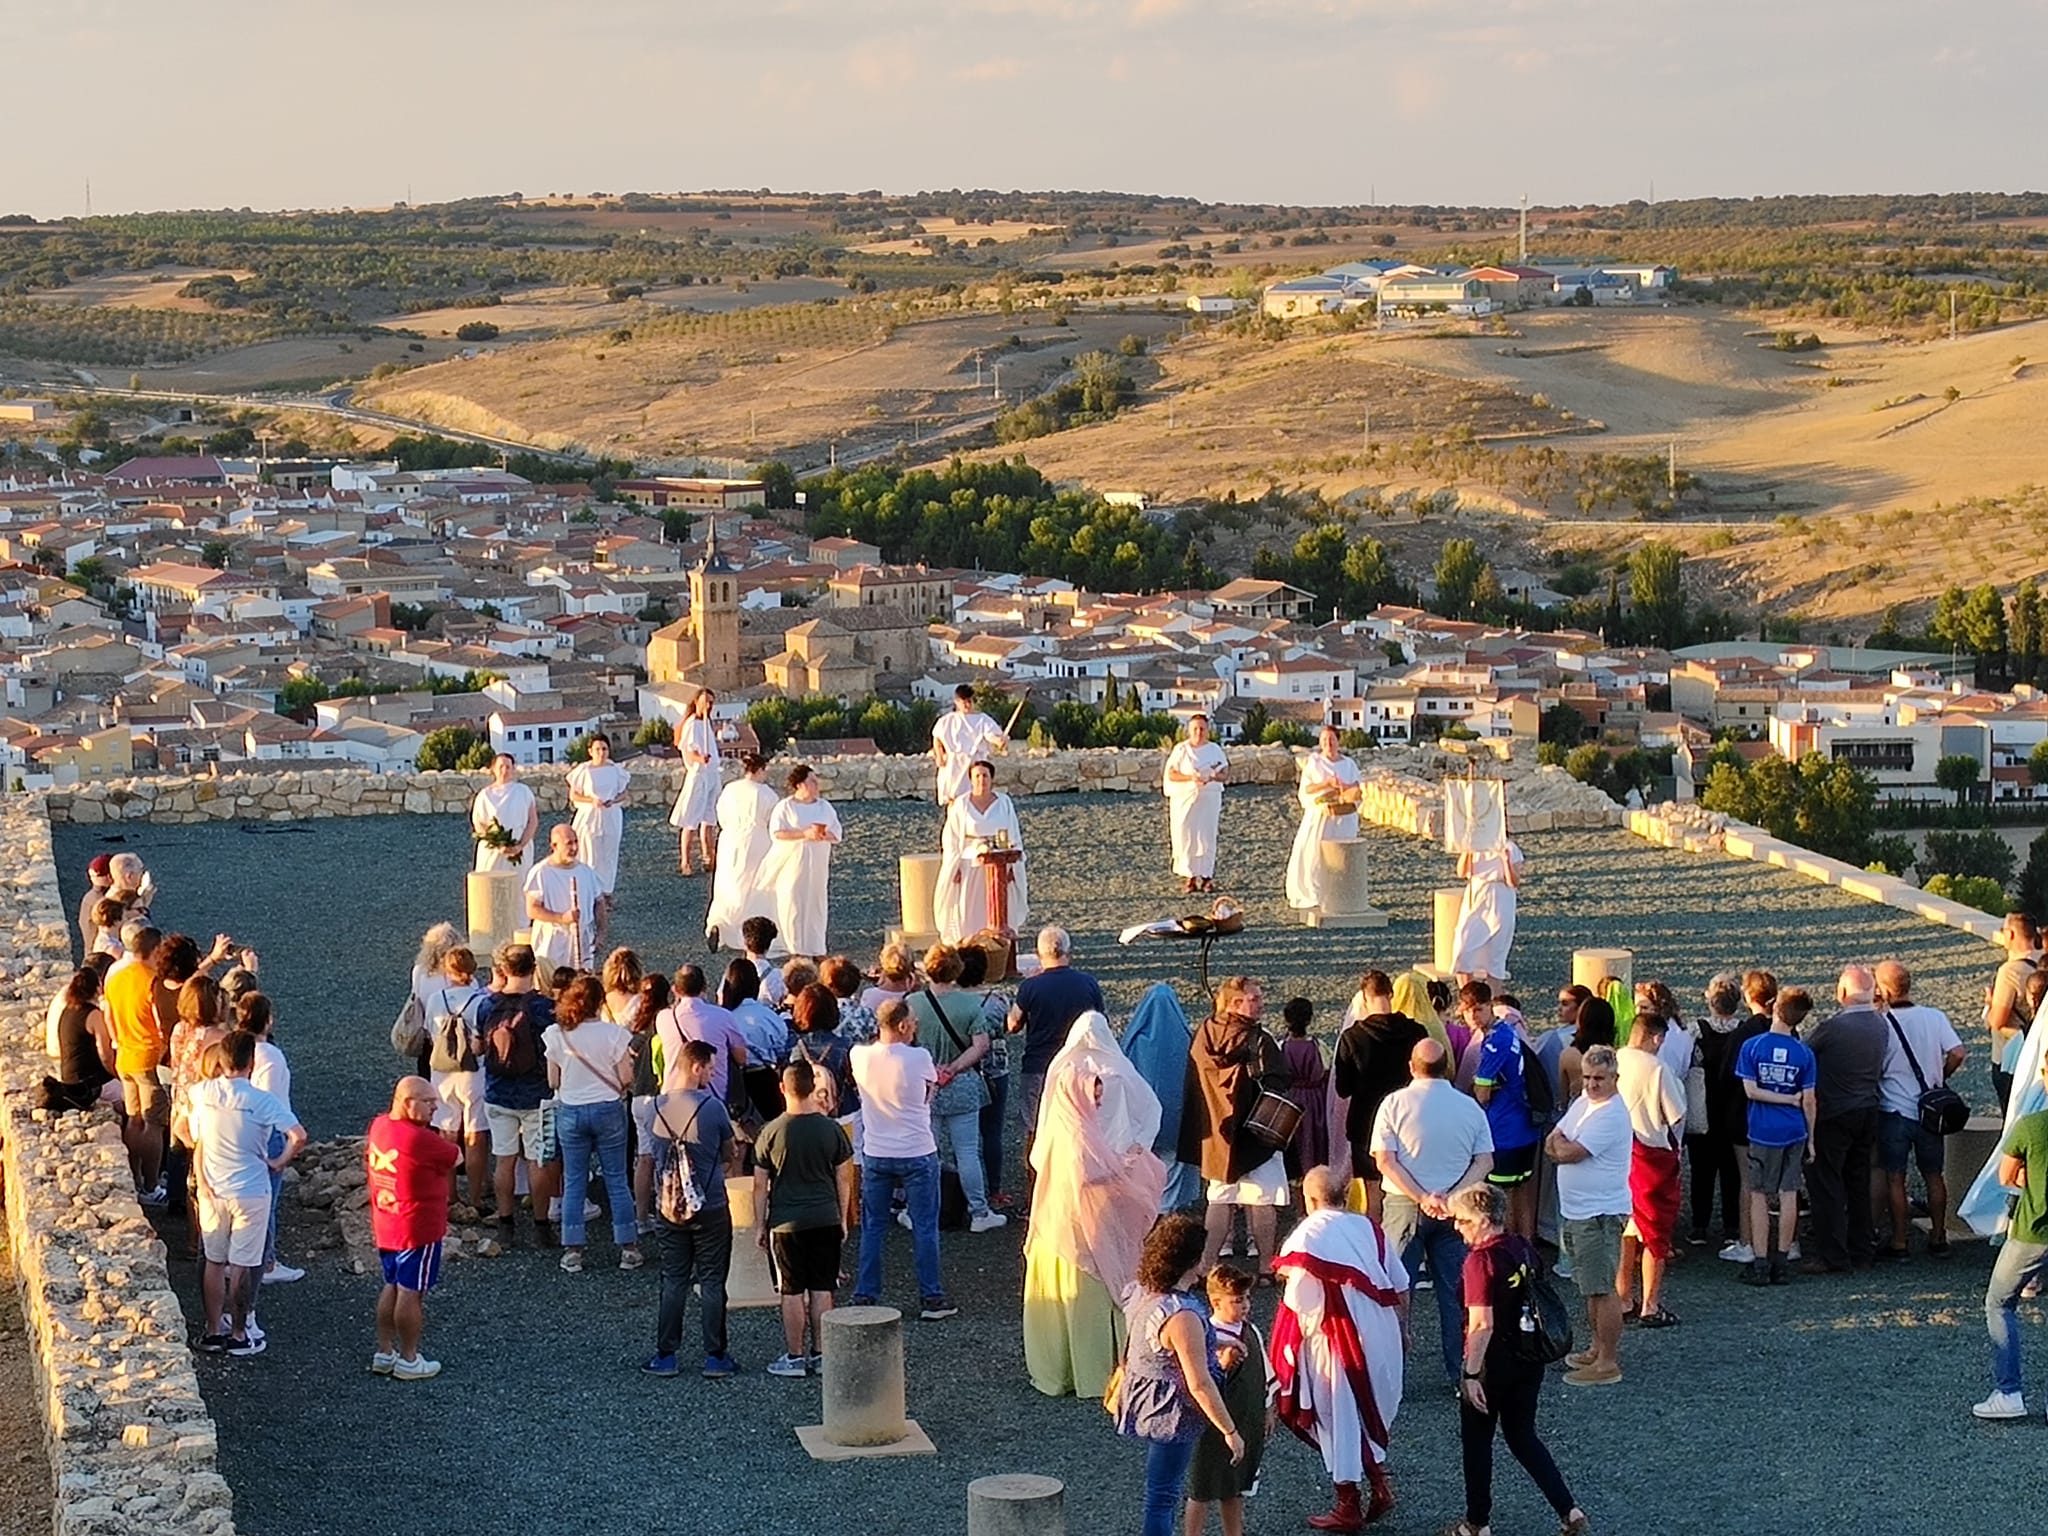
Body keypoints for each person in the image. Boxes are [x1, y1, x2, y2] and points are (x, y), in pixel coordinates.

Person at [1024, 1010, 1166, 1398]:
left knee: (1075, 1305)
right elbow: (1087, 1171)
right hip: (1078, 1233)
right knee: (1093, 1301)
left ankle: (1063, 1369)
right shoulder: (1077, 1134)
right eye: (1095, 1094)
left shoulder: (1068, 1109)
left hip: (1062, 1230)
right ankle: (1094, 1373)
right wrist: (1128, 1166)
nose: (1100, 1098)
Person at [1269, 1164, 1407, 1531]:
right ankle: (1379, 1485)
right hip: (1381, 1329)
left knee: (1339, 1415)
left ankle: (1348, 1503)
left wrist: (1287, 1350)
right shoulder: (1370, 1227)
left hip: (1337, 1338)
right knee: (1367, 1411)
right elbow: (1400, 1282)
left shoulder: (1307, 1234)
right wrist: (1403, 1331)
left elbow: (1300, 1301)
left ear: (1310, 1198)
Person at [1448, 1182, 1590, 1536]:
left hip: (1493, 1364)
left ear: (1482, 1221)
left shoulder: (1480, 1261)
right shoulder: (1520, 1245)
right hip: (1529, 1357)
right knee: (1523, 1436)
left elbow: (1482, 1324)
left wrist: (1470, 1374)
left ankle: (1477, 1523)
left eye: (1462, 1220)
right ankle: (1568, 1510)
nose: (1456, 1227)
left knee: (1477, 1444)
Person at [1113, 1213, 1244, 1536]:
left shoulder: (1145, 1293)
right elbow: (1198, 1382)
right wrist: (1229, 1430)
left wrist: (1214, 1339)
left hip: (1147, 1396)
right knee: (1163, 1497)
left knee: (1160, 1492)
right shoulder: (1183, 1314)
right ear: (1193, 1261)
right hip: (1172, 1411)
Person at [1372, 1038, 1493, 1385]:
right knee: (1456, 1293)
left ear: (1411, 1067)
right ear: (1448, 1068)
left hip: (1404, 1206)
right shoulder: (1469, 1107)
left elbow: (1385, 1161)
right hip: (1457, 1213)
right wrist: (1453, 1195)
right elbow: (1485, 1160)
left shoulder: (1393, 1104)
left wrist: (1422, 1196)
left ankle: (1392, 1377)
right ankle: (1463, 1374)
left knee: (1395, 1290)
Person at [187, 1031, 306, 1356]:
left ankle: (212, 1331)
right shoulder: (262, 1101)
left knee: (213, 1259)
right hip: (251, 1188)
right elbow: (298, 1135)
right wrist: (278, 1161)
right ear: (251, 1063)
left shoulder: (200, 1092)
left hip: (213, 1189)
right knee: (243, 1263)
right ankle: (239, 1334)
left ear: (221, 1060)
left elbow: (194, 1134)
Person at [850, 999, 956, 1319]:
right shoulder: (919, 1056)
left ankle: (865, 1293)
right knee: (925, 1226)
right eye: (912, 1021)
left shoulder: (859, 1055)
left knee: (873, 1226)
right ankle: (931, 1297)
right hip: (917, 1150)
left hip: (877, 1151)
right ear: (902, 1026)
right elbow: (928, 1092)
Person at [644, 1039, 740, 1379]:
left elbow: (652, 1156)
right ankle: (715, 1355)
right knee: (713, 1279)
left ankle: (666, 1354)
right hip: (710, 1203)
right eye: (710, 1068)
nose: (712, 1074)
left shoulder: (653, 1107)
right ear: (696, 1066)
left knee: (674, 1279)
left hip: (668, 1206)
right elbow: (729, 1153)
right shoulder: (713, 1108)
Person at [1181, 976, 1290, 1273]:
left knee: (1220, 1198)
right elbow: (1277, 1080)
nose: (1261, 1003)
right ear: (1234, 1003)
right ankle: (1266, 1265)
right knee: (1262, 1199)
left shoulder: (1204, 1034)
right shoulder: (1258, 1039)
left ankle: (1205, 1265)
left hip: (1218, 1131)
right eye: (1253, 998)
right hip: (1256, 1131)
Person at [753, 1058, 851, 1379]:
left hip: (785, 1222)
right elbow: (844, 1178)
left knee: (791, 1290)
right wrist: (843, 1217)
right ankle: (822, 1354)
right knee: (823, 1287)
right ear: (813, 1088)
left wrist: (758, 1225)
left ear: (783, 1089)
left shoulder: (770, 1132)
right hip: (825, 1217)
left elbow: (759, 1185)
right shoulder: (831, 1129)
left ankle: (795, 1356)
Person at [1545, 1044, 1632, 1385]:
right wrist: (1560, 1147)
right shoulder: (1583, 1103)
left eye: (1600, 1078)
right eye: (1588, 1077)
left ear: (1615, 1078)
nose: (1592, 1084)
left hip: (1600, 1213)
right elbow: (1556, 1138)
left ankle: (1608, 1362)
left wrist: (1561, 1148)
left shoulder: (1611, 1113)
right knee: (1589, 1287)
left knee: (1602, 1288)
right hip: (1578, 1211)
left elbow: (1569, 1151)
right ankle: (1596, 1348)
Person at [366, 1076, 460, 1380]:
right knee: (411, 1292)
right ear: (407, 1103)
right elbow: (455, 1157)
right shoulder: (420, 1139)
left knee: (391, 1284)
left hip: (387, 1222)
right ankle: (409, 1358)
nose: (435, 1107)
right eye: (428, 1101)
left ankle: (385, 1351)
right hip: (417, 1227)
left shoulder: (380, 1126)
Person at [907, 944, 1005, 1231]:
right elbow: (981, 1046)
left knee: (927, 1153)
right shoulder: (970, 1005)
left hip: (926, 1086)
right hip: (962, 1085)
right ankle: (979, 1212)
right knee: (967, 1152)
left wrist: (934, 1070)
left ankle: (922, 1211)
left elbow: (908, 1043)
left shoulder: (914, 1002)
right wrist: (954, 1068)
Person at [1875, 959, 1965, 1260]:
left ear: (1884, 989)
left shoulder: (1881, 1022)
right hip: (1929, 1110)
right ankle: (1939, 1236)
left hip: (1894, 1109)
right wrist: (1940, 1077)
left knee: (1895, 1177)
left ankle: (1900, 1241)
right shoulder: (1934, 1016)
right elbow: (1958, 1052)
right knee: (1933, 1174)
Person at [1975, 1047, 2048, 1421]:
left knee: (1999, 1303)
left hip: (2035, 1229)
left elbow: (2007, 1178)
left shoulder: (2032, 1126)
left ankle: (2009, 1391)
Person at [1803, 964, 1888, 1274]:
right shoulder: (1881, 1025)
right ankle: (1862, 1249)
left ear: (1841, 993)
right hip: (1867, 1109)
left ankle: (1833, 1254)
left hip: (1834, 1112)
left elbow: (1803, 1055)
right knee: (1858, 1182)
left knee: (1826, 1183)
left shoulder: (1832, 1028)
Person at [477, 943, 560, 1248]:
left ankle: (506, 1223)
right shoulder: (543, 1008)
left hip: (498, 1092)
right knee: (539, 1160)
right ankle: (541, 1225)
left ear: (503, 969)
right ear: (533, 968)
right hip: (537, 1094)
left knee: (504, 1160)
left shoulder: (487, 1006)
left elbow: (478, 1047)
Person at [1736, 986, 1817, 1287]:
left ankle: (1760, 1261)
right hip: (1794, 1129)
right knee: (1789, 1192)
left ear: (1774, 1008)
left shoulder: (1753, 1047)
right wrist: (1811, 1137)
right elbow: (1809, 1100)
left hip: (1762, 1129)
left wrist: (1780, 1099)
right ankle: (1782, 1260)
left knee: (1758, 1193)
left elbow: (1750, 1090)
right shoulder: (1804, 1052)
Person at [1007, 926, 1106, 1170]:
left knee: (1036, 1128)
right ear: (1068, 952)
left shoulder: (1030, 987)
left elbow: (1012, 1025)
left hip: (1039, 1065)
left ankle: (1037, 1191)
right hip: (1078, 1066)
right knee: (1078, 1126)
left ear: (1039, 954)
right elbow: (1100, 1023)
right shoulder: (1088, 984)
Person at [1185, 1263, 1268, 1536]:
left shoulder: (1251, 1331)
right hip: (1214, 1425)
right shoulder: (1208, 1336)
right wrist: (1224, 1364)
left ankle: (1234, 1533)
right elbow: (1202, 1379)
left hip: (1246, 1418)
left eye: (1246, 1299)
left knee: (1235, 1485)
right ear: (1216, 1302)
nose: (1245, 1305)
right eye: (1237, 1300)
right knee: (1203, 1486)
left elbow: (1264, 1371)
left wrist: (1269, 1407)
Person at [1615, 1009, 1685, 1327]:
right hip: (1650, 1155)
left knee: (1626, 1230)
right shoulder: (1656, 1068)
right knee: (1655, 1233)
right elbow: (1676, 1115)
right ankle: (1650, 1303)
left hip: (1618, 1154)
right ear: (1656, 1037)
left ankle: (1622, 1298)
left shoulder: (1612, 1060)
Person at [1715, 968, 1780, 1266]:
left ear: (1747, 995)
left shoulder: (1742, 1034)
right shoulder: (1785, 1029)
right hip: (1781, 1114)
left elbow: (1727, 1077)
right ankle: (1783, 1241)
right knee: (1779, 1182)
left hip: (1744, 1116)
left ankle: (1748, 1240)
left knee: (1748, 1182)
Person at [422, 946, 490, 1214]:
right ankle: (475, 1197)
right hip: (474, 1073)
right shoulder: (481, 1000)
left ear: (448, 971)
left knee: (447, 1132)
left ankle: (450, 1196)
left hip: (442, 1071)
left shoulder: (437, 999)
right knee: (476, 1134)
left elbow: (429, 1031)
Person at [103, 925, 169, 1201]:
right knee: (153, 1123)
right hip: (148, 1057)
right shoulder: (153, 981)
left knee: (134, 1118)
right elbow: (160, 1022)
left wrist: (118, 1042)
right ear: (154, 950)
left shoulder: (116, 977)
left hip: (125, 1057)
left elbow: (108, 1017)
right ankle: (152, 1186)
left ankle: (134, 1176)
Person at [1124, 982, 1200, 1212]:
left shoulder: (1133, 1040)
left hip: (1142, 1120)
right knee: (1175, 1163)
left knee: (1145, 1164)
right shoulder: (1185, 1039)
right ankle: (1171, 1209)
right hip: (1177, 1119)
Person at [1690, 972, 1753, 1252]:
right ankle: (1732, 1226)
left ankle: (1699, 1226)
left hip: (1704, 1108)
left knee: (1701, 1172)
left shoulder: (1696, 1031)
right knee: (1733, 1173)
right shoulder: (1745, 1032)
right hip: (1735, 1108)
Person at [935, 760, 1028, 943]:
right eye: (977, 776)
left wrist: (1011, 867)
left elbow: (1014, 836)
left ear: (991, 778)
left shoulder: (1004, 803)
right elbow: (951, 840)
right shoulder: (961, 805)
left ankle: (1000, 949)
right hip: (969, 865)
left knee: (998, 908)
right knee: (968, 910)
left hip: (999, 864)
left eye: (985, 775)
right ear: (971, 779)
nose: (981, 780)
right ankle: (969, 947)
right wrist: (954, 868)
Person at [1472, 997, 1541, 1240]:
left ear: (1489, 1007)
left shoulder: (1494, 1043)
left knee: (1502, 1199)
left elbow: (1481, 1094)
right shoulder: (1508, 1031)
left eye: (1477, 1008)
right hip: (1525, 1128)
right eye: (1467, 1010)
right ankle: (1526, 1252)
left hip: (1504, 1133)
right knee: (1521, 1193)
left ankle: (1508, 1252)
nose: (1472, 1016)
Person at [760, 765, 842, 959]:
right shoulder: (786, 806)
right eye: (812, 781)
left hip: (817, 865)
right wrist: (803, 834)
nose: (816, 784)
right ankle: (794, 948)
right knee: (793, 903)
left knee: (816, 904)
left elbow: (837, 833)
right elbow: (777, 833)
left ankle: (816, 947)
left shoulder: (824, 807)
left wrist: (821, 835)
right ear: (799, 785)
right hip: (792, 864)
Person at [1284, 725, 1362, 911]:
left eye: (1332, 739)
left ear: (1338, 741)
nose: (1329, 743)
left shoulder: (1349, 764)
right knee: (1314, 854)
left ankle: (1341, 892)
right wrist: (1326, 783)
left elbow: (1357, 786)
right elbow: (1307, 789)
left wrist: (1344, 786)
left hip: (1343, 817)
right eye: (1325, 740)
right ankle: (1315, 893)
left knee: (1342, 855)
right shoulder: (1315, 762)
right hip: (1320, 816)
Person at [705, 753, 778, 951]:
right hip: (757, 839)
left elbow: (721, 814)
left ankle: (718, 924)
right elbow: (774, 820)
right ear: (760, 769)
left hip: (730, 839)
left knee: (727, 884)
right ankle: (748, 932)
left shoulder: (730, 789)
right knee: (753, 886)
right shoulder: (766, 794)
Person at [658, 964, 750, 1107]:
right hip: (714, 1097)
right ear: (704, 988)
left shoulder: (663, 1018)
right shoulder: (723, 1016)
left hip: (672, 1098)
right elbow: (741, 1058)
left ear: (675, 990)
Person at [566, 733, 630, 931]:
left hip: (610, 815)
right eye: (597, 749)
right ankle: (591, 894)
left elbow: (624, 792)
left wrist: (614, 800)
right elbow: (574, 794)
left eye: (604, 749)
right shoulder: (583, 771)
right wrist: (592, 801)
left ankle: (607, 892)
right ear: (590, 751)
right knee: (590, 854)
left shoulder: (615, 770)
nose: (601, 752)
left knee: (609, 854)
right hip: (590, 816)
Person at [1164, 713, 1229, 894]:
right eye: (1195, 729)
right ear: (1189, 730)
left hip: (1208, 798)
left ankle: (1207, 877)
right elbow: (1171, 774)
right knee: (1186, 836)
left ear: (1207, 730)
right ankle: (1190, 877)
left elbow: (1225, 773)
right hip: (1185, 799)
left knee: (1206, 836)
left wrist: (1214, 776)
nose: (1198, 732)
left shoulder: (1215, 749)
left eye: (1202, 729)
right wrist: (1191, 778)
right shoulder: (1181, 750)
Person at [522, 825, 601, 972]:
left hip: (582, 939)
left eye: (576, 842)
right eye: (569, 843)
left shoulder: (586, 872)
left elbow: (599, 902)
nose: (574, 847)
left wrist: (601, 933)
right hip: (552, 941)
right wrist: (562, 917)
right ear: (554, 845)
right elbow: (532, 909)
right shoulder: (541, 872)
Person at [1449, 839, 1525, 984]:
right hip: (1477, 894)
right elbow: (1461, 872)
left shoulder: (1510, 847)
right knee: (1462, 948)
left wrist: (1506, 860)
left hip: (1500, 896)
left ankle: (1493, 999)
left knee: (1495, 955)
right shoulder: (1475, 844)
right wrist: (1468, 851)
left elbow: (1513, 882)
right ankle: (1467, 995)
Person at [1988, 911, 2040, 1110]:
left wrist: (1991, 1004)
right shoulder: (2042, 963)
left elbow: (1998, 1020)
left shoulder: (2010, 971)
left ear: (2010, 934)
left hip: (2009, 1056)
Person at [669, 688, 722, 875]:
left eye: (710, 702)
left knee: (709, 818)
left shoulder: (706, 722)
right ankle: (686, 862)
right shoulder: (691, 724)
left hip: (712, 774)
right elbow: (689, 750)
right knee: (691, 820)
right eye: (705, 701)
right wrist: (701, 759)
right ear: (697, 702)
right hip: (699, 775)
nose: (708, 705)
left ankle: (708, 856)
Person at [48, 966, 116, 1108]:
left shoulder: (68, 1010)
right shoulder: (93, 1015)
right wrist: (116, 1074)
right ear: (97, 988)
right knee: (129, 1096)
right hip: (89, 1082)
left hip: (68, 1077)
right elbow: (105, 1055)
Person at [932, 682, 1008, 805]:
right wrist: (939, 756)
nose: (967, 704)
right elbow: (937, 737)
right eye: (964, 701)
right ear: (957, 701)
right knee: (952, 800)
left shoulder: (982, 719)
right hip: (953, 765)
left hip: (973, 764)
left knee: (972, 800)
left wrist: (999, 741)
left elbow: (991, 735)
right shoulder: (946, 720)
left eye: (970, 701)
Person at [1279, 997, 1330, 1179]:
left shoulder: (1281, 1047)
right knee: (1315, 1142)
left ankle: (1298, 1188)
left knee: (1295, 1143)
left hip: (1291, 1100)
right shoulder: (1318, 1046)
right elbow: (1327, 1072)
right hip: (1316, 1100)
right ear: (1310, 1019)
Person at [470, 753, 538, 872]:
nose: (504, 770)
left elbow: (532, 821)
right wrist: (497, 843)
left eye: (508, 767)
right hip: (493, 851)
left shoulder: (523, 791)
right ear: (493, 769)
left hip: (519, 846)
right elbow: (479, 824)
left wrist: (520, 845)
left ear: (513, 769)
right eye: (501, 766)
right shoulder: (485, 795)